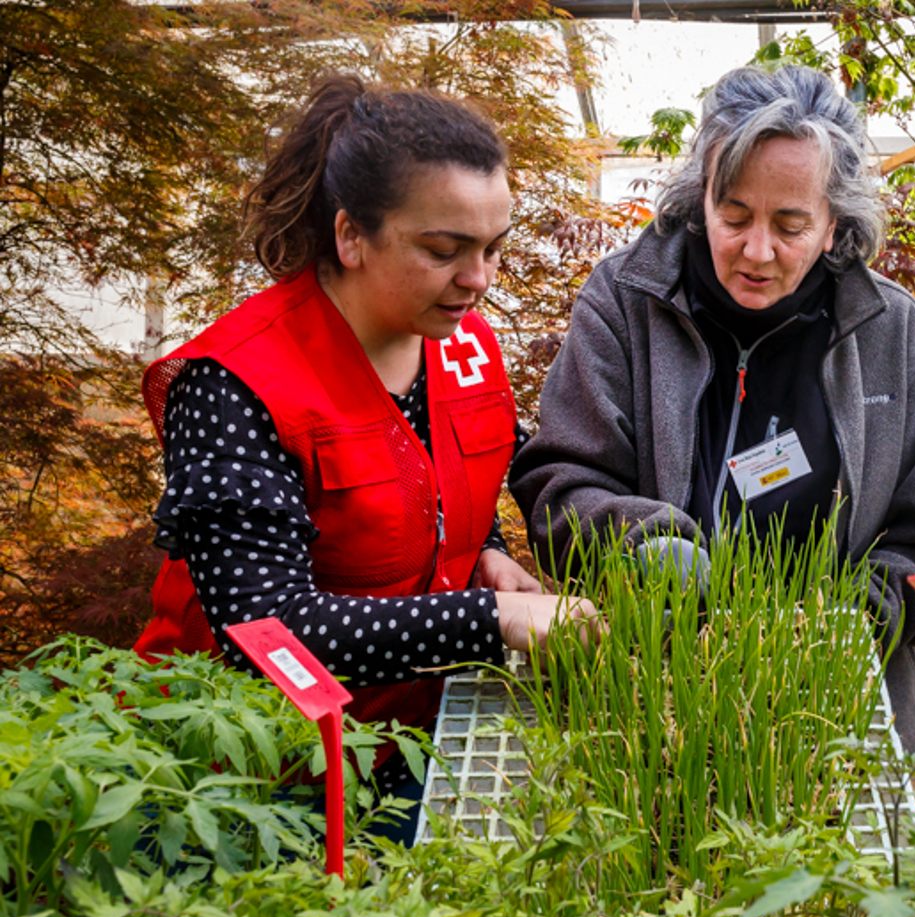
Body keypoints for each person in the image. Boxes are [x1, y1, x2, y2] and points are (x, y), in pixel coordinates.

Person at [135, 74, 592, 837]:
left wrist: (487, 549)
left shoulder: (466, 348)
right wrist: (494, 619)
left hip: (402, 749)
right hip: (243, 785)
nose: (477, 281)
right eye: (444, 249)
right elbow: (267, 637)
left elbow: (442, 480)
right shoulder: (236, 384)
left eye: (490, 249)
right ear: (351, 236)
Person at [510, 65, 915, 751]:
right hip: (651, 696)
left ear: (834, 225)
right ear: (700, 195)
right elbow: (559, 482)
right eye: (734, 216)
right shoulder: (625, 303)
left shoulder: (897, 340)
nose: (756, 251)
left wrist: (846, 623)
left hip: (833, 712)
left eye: (790, 225)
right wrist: (640, 542)